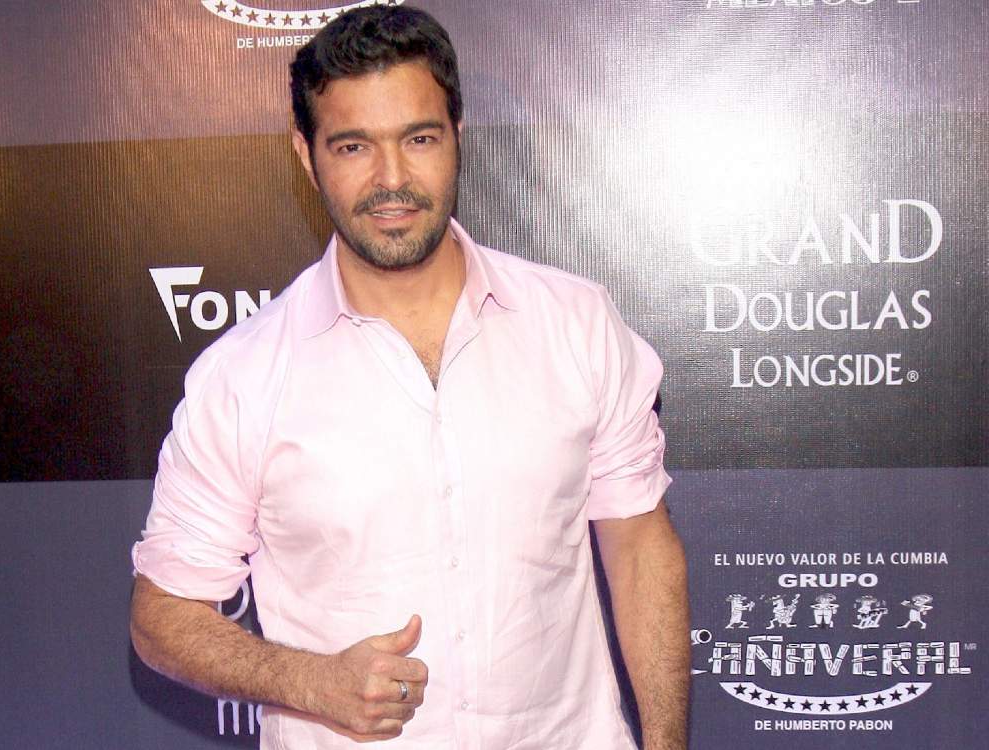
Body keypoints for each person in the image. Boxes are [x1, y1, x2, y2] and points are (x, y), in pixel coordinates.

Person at [130, 6, 688, 749]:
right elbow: (162, 615)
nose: (391, 180)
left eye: (418, 139)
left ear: (458, 135)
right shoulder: (243, 378)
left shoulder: (576, 323)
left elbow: (639, 541)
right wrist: (310, 682)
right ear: (306, 155)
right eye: (353, 146)